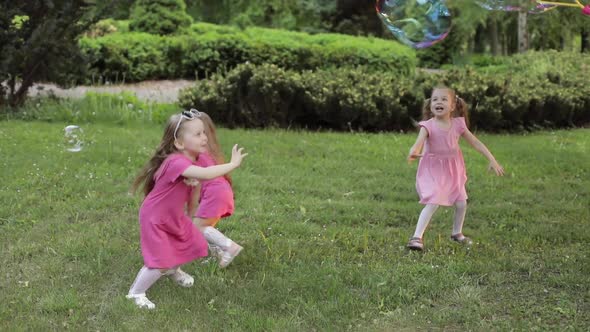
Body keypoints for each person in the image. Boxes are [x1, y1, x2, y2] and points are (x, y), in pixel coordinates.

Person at [127, 109, 248, 309]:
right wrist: (233, 164)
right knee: (160, 260)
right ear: (179, 143)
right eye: (198, 134)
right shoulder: (175, 162)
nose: (204, 137)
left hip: (171, 216)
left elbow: (193, 193)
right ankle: (135, 293)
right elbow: (207, 174)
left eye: (204, 133)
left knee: (184, 244)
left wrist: (190, 217)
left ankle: (174, 271)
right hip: (155, 218)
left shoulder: (190, 163)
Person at [406, 87, 504, 251]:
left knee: (461, 203)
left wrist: (492, 159)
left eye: (444, 99)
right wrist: (413, 152)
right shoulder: (427, 126)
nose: (439, 102)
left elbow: (476, 142)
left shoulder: (458, 124)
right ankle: (416, 237)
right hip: (434, 169)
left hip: (453, 169)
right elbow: (417, 144)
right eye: (435, 99)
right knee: (433, 201)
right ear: (431, 105)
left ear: (452, 106)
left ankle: (457, 234)